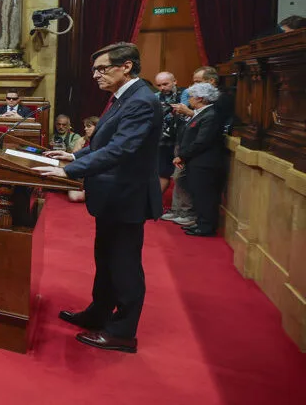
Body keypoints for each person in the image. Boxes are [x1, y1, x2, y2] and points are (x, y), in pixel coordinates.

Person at [39, 42, 161, 354]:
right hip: (112, 196)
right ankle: (99, 313)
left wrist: (71, 172)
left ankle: (122, 332)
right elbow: (103, 141)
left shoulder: (141, 101)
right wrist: (72, 156)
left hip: (127, 197)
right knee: (105, 259)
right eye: (95, 70)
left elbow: (121, 149)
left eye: (102, 68)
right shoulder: (122, 98)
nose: (96, 75)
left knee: (124, 265)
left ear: (127, 67)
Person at [173, 82, 225, 237]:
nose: (189, 100)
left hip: (205, 163)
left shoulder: (211, 115)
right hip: (196, 162)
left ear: (200, 98)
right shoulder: (201, 113)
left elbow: (202, 141)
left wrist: (182, 156)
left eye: (191, 97)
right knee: (198, 193)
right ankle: (201, 222)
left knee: (205, 195)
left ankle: (206, 226)